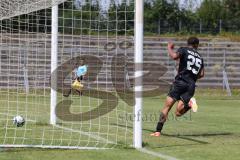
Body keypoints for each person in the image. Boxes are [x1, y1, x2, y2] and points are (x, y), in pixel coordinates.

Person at [150, 37, 205, 137]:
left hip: (180, 82)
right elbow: (201, 74)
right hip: (191, 85)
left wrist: (169, 48)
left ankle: (158, 131)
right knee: (178, 113)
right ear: (197, 45)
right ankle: (190, 104)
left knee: (167, 107)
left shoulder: (184, 49)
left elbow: (174, 56)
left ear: (188, 43)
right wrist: (191, 75)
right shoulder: (200, 57)